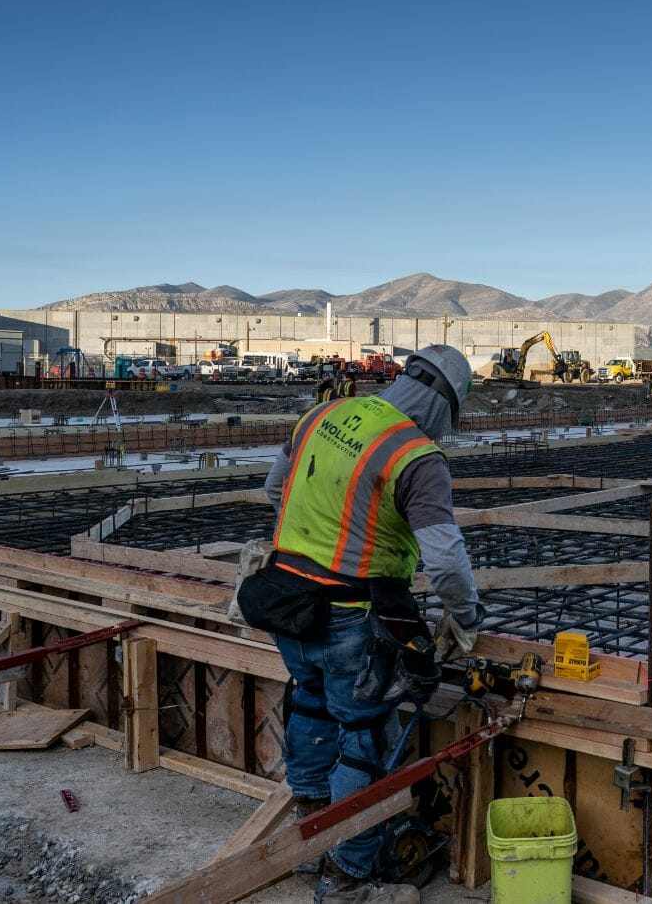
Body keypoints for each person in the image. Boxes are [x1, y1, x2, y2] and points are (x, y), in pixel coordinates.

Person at [252, 344, 480, 904]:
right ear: (444, 407)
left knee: (308, 702)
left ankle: (308, 834)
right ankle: (350, 878)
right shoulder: (415, 455)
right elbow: (445, 558)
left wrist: (322, 531)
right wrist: (465, 616)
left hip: (285, 599)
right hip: (348, 615)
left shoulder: (324, 413)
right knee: (361, 733)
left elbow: (274, 489)